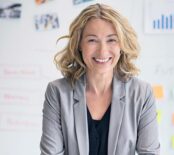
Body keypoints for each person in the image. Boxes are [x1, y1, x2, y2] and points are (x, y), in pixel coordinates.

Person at [40, 3, 160, 155]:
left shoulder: (141, 94)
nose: (103, 51)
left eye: (111, 40)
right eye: (92, 40)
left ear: (122, 45)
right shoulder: (57, 92)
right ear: (79, 44)